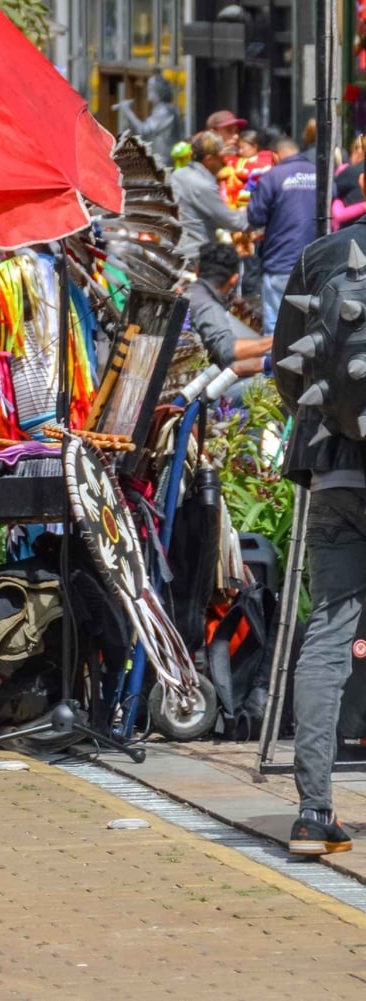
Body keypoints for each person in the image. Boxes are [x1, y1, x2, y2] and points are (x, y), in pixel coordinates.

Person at [272, 195, 366, 857]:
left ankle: (312, 812)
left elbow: (289, 364)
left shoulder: (318, 255)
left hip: (336, 468)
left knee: (329, 627)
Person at [248, 135, 317, 334]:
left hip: (281, 261)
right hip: (316, 263)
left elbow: (256, 217)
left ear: (275, 156)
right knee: (311, 326)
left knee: (276, 326)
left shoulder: (272, 177)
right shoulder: (320, 174)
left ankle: (276, 365)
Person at [182, 243, 272, 377]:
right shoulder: (208, 307)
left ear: (197, 270)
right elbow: (227, 351)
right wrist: (274, 342)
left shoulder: (190, 292)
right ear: (234, 279)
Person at [173, 131, 251, 262]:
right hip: (196, 257)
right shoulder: (202, 185)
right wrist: (249, 209)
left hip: (176, 253)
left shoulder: (178, 175)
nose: (225, 162)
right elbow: (236, 223)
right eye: (221, 158)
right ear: (209, 159)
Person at [116, 74, 182, 162]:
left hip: (164, 161)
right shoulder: (160, 110)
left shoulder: (164, 112)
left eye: (151, 88)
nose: (148, 91)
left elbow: (144, 131)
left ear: (159, 91)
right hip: (160, 159)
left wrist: (128, 111)